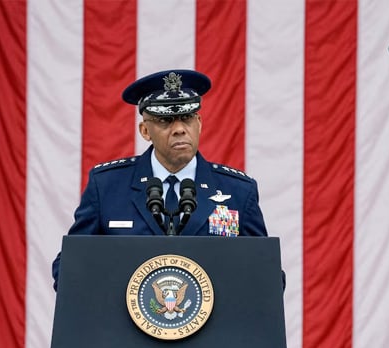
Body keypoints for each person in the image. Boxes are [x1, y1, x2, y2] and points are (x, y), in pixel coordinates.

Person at [51, 69, 269, 290]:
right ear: (145, 131)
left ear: (199, 123)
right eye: (165, 121)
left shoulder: (239, 192)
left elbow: (266, 273)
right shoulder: (106, 187)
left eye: (186, 118)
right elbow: (69, 267)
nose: (179, 130)